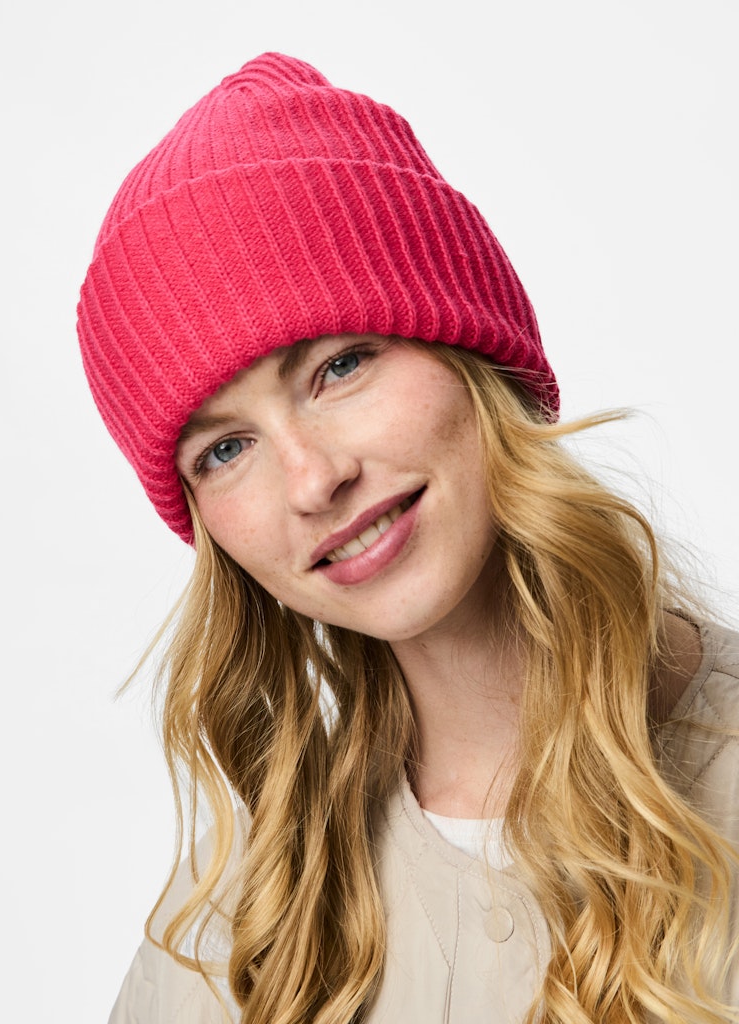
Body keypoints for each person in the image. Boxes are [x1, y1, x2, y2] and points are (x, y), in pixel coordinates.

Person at [77, 52, 739, 1024]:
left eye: (341, 365)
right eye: (225, 449)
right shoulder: (240, 922)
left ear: (472, 352)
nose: (313, 478)